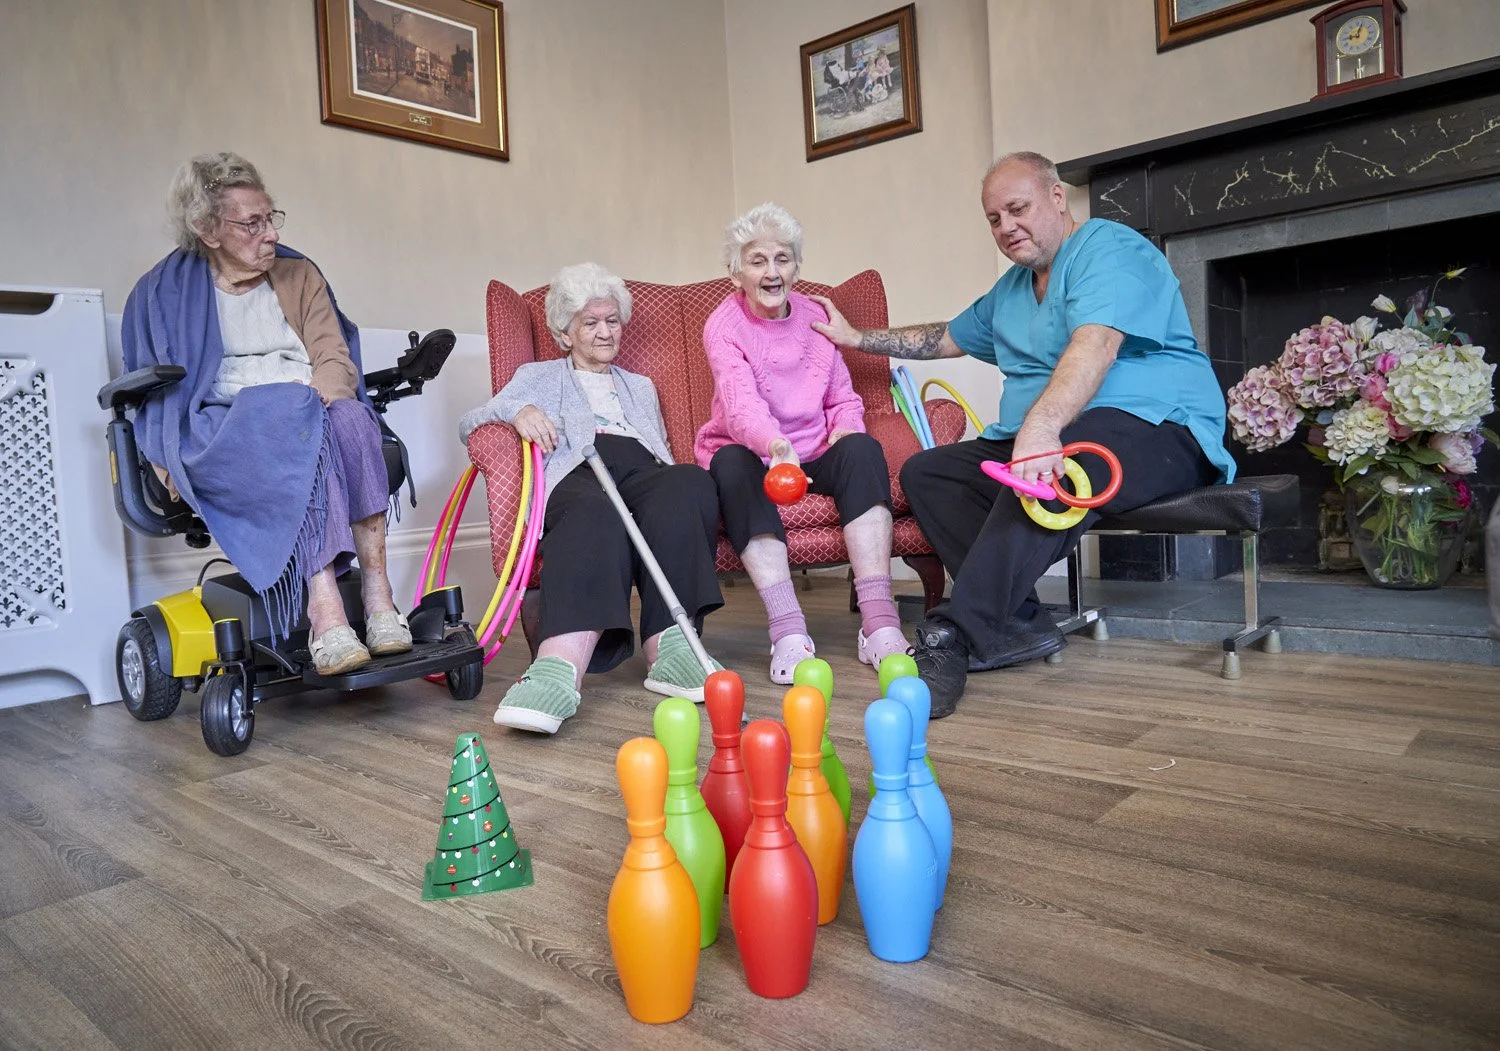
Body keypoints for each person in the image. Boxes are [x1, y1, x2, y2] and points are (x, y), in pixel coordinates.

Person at [812, 152, 1237, 716]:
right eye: (994, 218)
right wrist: (856, 336)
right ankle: (1017, 626)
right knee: (929, 472)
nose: (1007, 226)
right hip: (1053, 431)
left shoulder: (1110, 249)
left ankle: (954, 635)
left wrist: (1042, 426)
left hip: (1158, 425)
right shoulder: (1013, 289)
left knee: (1057, 468)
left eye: (1018, 208)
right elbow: (946, 337)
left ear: (1057, 198)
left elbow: (1097, 343)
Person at [121, 152, 411, 676]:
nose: (269, 234)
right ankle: (324, 610)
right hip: (222, 425)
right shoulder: (161, 293)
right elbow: (160, 394)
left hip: (309, 405)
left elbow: (331, 357)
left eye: (270, 218)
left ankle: (377, 593)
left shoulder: (300, 275)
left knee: (348, 419)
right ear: (208, 229)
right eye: (251, 224)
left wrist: (317, 403)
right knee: (294, 420)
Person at [459, 263, 725, 734]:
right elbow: (474, 419)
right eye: (590, 323)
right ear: (565, 333)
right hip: (576, 469)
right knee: (593, 511)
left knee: (688, 484)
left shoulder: (640, 386)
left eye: (612, 321)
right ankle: (558, 667)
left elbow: (656, 450)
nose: (605, 332)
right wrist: (518, 411)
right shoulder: (537, 375)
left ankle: (671, 648)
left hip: (641, 469)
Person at [696, 203, 907, 684]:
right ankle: (788, 630)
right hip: (753, 448)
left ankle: (879, 624)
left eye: (783, 259)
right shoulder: (723, 326)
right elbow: (740, 405)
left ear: (796, 266)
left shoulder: (816, 317)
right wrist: (774, 446)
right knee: (730, 463)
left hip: (814, 449)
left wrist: (846, 429)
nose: (773, 273)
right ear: (735, 274)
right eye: (757, 261)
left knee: (863, 449)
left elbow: (843, 397)